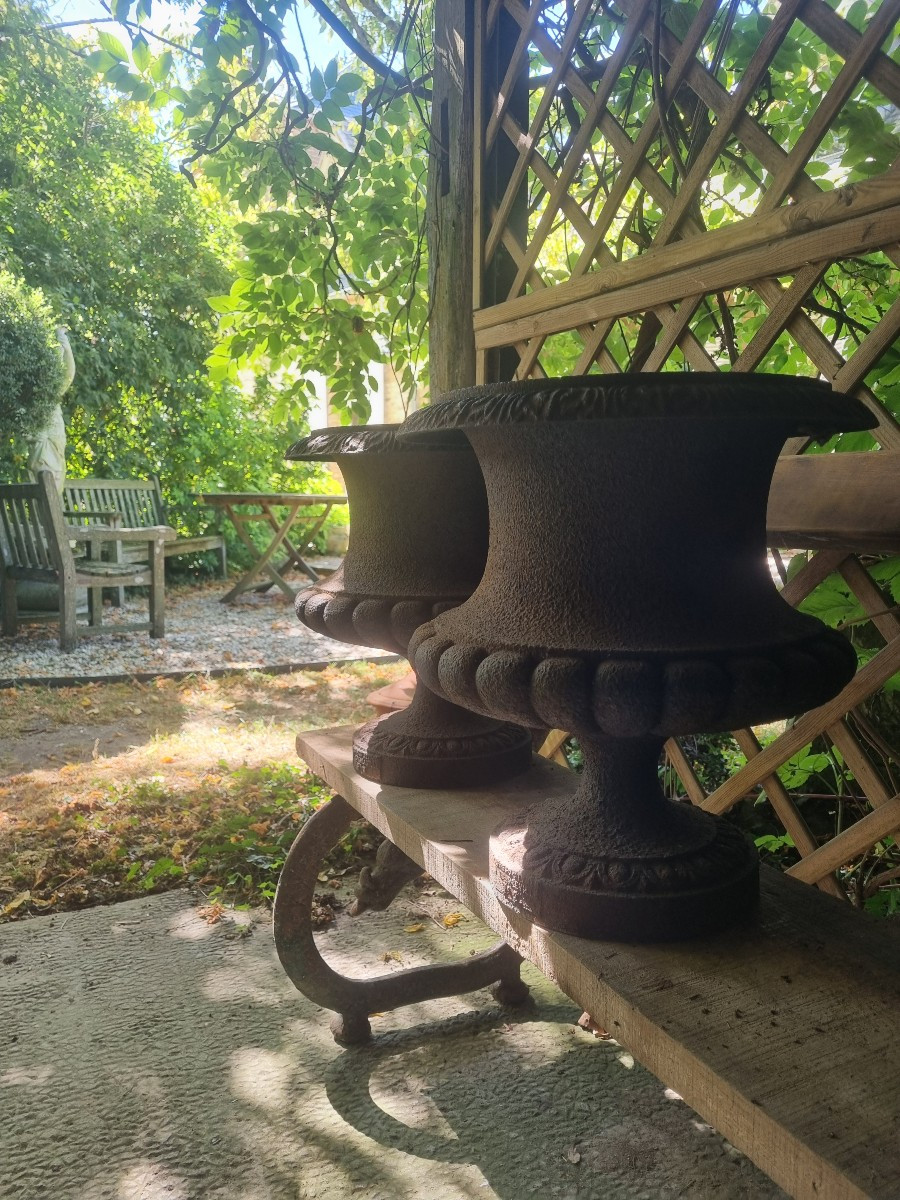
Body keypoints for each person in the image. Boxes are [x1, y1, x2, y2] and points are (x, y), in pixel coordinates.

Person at [28, 325, 75, 492]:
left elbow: (68, 374)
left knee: (54, 485)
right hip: (44, 453)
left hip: (55, 445)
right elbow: (26, 431)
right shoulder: (32, 400)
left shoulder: (53, 395)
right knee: (47, 486)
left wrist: (63, 341)